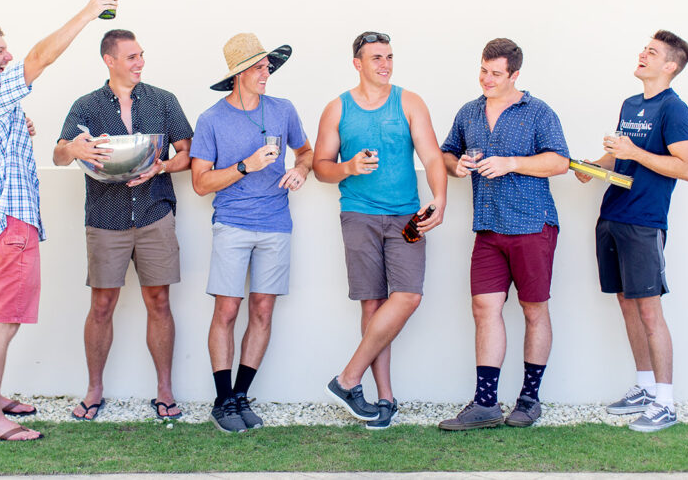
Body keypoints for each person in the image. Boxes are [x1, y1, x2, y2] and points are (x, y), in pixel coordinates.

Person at [0, 0, 117, 441]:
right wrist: (87, 12)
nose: (9, 56)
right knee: (4, 321)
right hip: (11, 227)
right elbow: (41, 58)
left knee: (7, 316)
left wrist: (17, 129)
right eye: (0, 51)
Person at [54, 29, 193, 422]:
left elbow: (188, 152)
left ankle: (165, 390)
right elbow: (59, 152)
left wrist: (161, 166)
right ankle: (94, 389)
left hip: (154, 213)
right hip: (105, 218)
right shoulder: (86, 106)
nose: (140, 63)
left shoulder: (164, 101)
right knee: (101, 306)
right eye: (131, 57)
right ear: (109, 60)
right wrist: (73, 148)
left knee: (159, 302)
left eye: (141, 55)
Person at [314, 31, 447, 430]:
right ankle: (383, 398)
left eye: (388, 56)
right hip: (358, 215)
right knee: (372, 305)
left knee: (407, 296)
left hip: (407, 216)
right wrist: (348, 168)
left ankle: (347, 379)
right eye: (376, 58)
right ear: (358, 63)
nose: (385, 64)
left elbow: (432, 156)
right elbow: (321, 166)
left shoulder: (409, 102)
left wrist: (440, 198)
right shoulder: (337, 109)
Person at [437, 37, 569, 431]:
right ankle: (485, 404)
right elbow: (445, 152)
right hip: (488, 227)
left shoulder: (538, 111)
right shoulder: (469, 112)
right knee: (484, 310)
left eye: (496, 73)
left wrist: (512, 162)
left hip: (532, 224)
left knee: (534, 310)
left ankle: (529, 399)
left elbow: (559, 161)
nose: (486, 79)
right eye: (483, 70)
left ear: (515, 74)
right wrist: (454, 164)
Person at [190, 33, 313, 433]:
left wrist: (300, 169)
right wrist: (246, 165)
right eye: (259, 67)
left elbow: (307, 151)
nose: (267, 73)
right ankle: (222, 400)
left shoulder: (283, 109)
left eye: (268, 67)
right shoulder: (211, 119)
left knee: (263, 309)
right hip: (232, 224)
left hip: (276, 224)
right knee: (226, 311)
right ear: (239, 74)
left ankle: (240, 395)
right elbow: (200, 183)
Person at [575, 30, 688, 433]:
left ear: (670, 66)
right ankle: (644, 387)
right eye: (644, 49)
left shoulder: (674, 109)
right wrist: (590, 168)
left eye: (652, 52)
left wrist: (635, 153)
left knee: (649, 309)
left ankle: (666, 402)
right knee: (627, 303)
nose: (642, 55)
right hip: (612, 215)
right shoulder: (631, 103)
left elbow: (686, 168)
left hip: (644, 222)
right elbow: (618, 154)